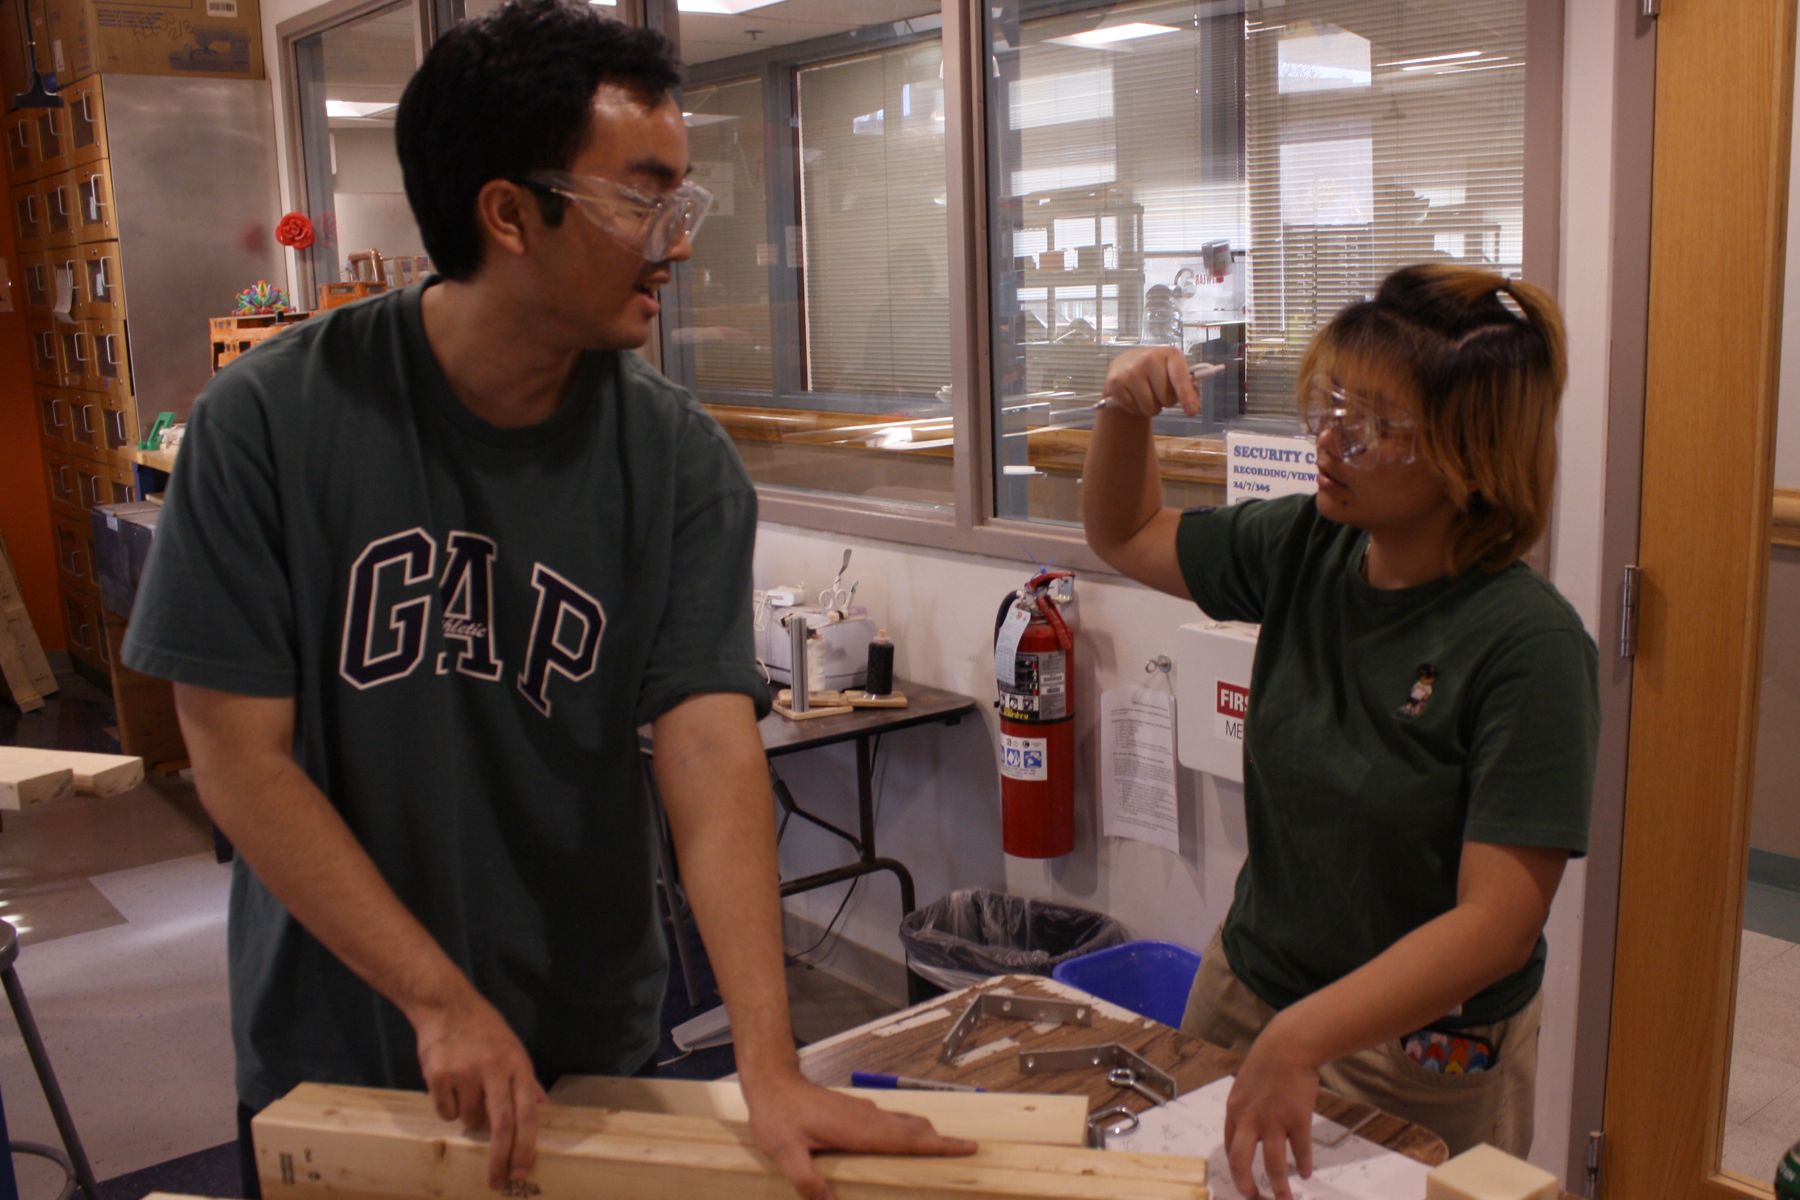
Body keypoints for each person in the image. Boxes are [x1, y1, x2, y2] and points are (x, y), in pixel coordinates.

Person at [120, 3, 974, 1197]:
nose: (677, 243)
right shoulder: (267, 424)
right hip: (341, 1043)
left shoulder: (678, 464)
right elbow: (238, 760)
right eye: (643, 199)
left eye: (687, 200)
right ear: (508, 212)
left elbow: (713, 753)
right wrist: (437, 999)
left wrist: (769, 1067)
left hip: (586, 1043)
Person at [1082, 264, 1598, 1200]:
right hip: (1251, 984)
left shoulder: (1529, 645)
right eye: (1330, 404)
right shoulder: (1309, 547)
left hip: (1414, 1043)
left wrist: (1307, 1033)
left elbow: (1497, 926)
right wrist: (1123, 409)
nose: (1329, 438)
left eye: (1373, 425)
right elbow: (1124, 533)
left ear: (1471, 456)